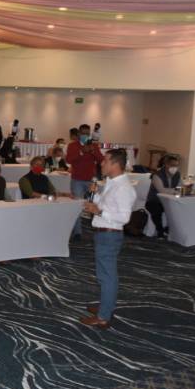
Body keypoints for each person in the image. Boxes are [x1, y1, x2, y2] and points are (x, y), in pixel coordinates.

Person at [80, 149, 136, 329]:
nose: (101, 163)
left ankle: (104, 316)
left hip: (109, 235)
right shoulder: (112, 183)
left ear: (115, 164)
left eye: (105, 161)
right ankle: (106, 306)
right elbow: (107, 204)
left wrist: (99, 211)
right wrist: (96, 195)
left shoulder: (123, 187)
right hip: (104, 233)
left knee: (107, 276)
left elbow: (124, 218)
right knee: (104, 274)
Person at [66, 124, 104, 240]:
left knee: (95, 204)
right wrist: (82, 151)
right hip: (77, 180)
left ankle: (98, 228)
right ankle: (77, 232)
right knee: (77, 206)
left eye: (87, 133)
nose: (85, 135)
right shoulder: (73, 145)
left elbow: (101, 160)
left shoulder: (94, 145)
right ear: (79, 133)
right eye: (83, 133)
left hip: (91, 180)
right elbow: (69, 160)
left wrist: (93, 151)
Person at [145, 155, 182, 239]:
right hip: (155, 200)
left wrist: (177, 190)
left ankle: (168, 229)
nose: (175, 168)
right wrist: (175, 191)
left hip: (171, 201)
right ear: (166, 165)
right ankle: (160, 230)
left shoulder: (178, 174)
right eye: (173, 165)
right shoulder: (157, 175)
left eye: (177, 165)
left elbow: (180, 187)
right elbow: (161, 190)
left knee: (180, 208)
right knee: (155, 209)